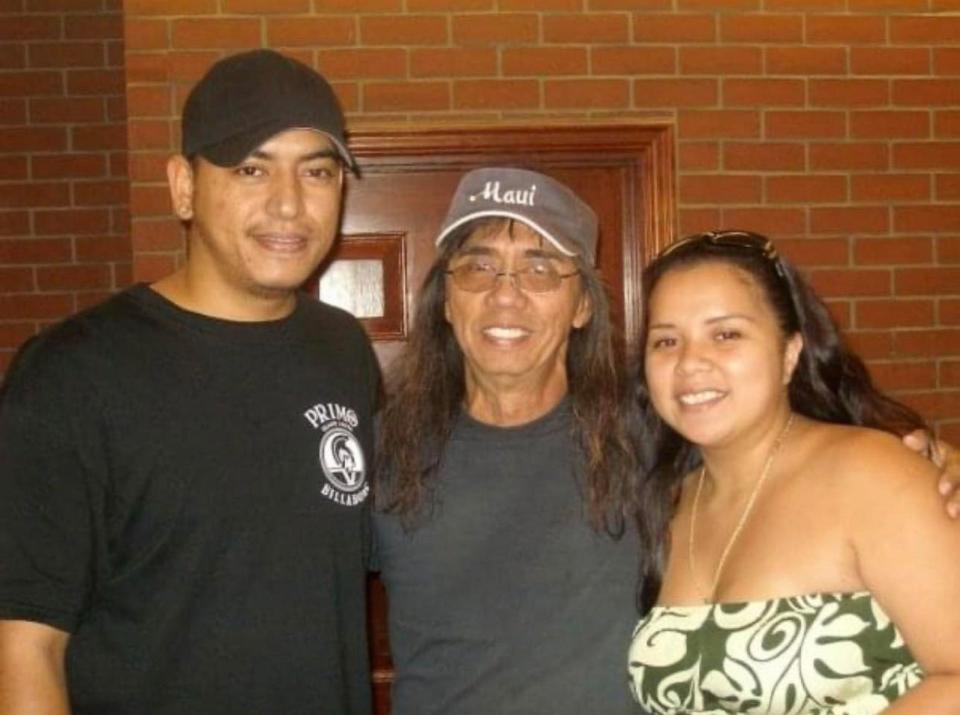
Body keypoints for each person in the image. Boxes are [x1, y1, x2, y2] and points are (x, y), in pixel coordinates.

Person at [0, 49, 378, 715]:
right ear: (182, 186)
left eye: (316, 171)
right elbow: (25, 644)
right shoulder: (74, 372)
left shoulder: (342, 350)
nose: (289, 203)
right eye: (251, 168)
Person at [628, 230, 960, 713]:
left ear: (789, 354)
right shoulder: (670, 503)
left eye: (726, 334)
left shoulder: (871, 474)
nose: (690, 362)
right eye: (666, 341)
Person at [373, 167, 642, 715]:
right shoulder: (382, 450)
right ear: (446, 300)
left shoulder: (645, 442)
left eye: (540, 268)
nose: (505, 294)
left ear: (582, 307)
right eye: (478, 266)